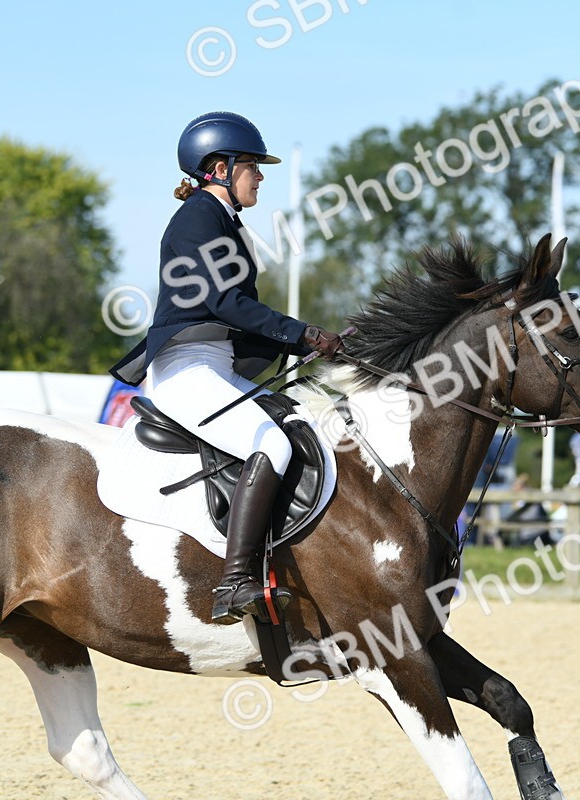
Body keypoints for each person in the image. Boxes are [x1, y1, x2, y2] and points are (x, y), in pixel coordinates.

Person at [111, 111, 345, 625]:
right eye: (253, 166)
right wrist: (303, 333)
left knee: (299, 421)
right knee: (272, 444)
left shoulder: (221, 220)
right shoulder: (199, 217)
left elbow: (238, 315)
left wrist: (310, 346)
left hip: (213, 364)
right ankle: (235, 580)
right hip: (186, 369)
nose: (260, 176)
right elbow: (223, 301)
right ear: (219, 168)